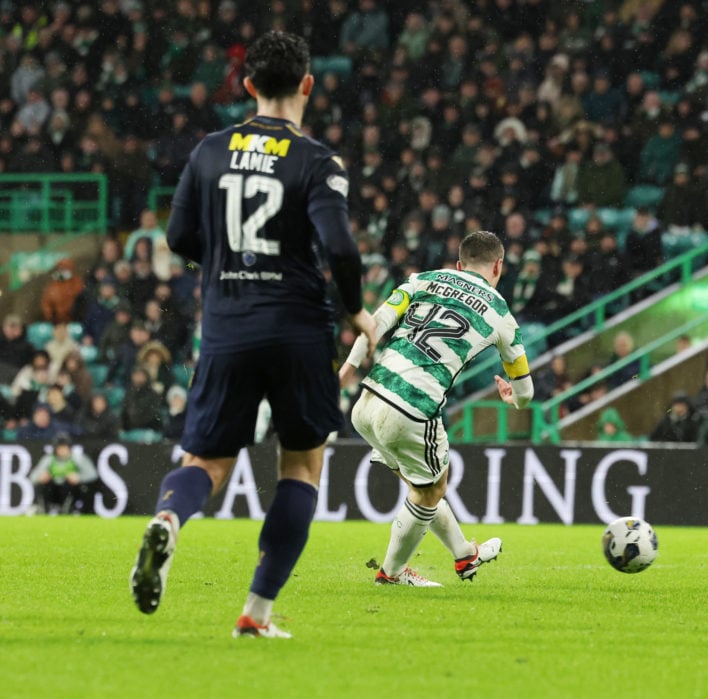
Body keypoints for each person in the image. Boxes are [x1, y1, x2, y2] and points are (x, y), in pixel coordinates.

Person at [128, 31, 376, 639]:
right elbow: (340, 247)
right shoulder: (317, 160)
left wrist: (224, 263)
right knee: (301, 467)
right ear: (308, 85)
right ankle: (255, 613)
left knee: (206, 462)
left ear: (247, 86)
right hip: (298, 331)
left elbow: (180, 237)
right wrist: (355, 313)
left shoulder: (210, 151)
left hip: (228, 327)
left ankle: (168, 518)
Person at [339, 230, 533, 587]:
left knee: (425, 484)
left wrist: (346, 371)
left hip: (367, 401)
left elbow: (375, 323)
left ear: (459, 264)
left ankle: (464, 555)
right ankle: (392, 573)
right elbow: (525, 391)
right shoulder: (501, 312)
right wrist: (513, 398)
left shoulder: (424, 279)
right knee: (431, 489)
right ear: (499, 266)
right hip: (412, 407)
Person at [30, 431, 98, 515]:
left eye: (64, 447)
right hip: (53, 490)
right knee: (41, 486)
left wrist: (79, 477)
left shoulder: (77, 458)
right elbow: (32, 478)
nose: (62, 450)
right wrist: (40, 477)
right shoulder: (48, 459)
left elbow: (93, 474)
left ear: (69, 448)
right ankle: (44, 510)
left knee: (81, 488)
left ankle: (72, 510)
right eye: (59, 448)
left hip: (70, 490)